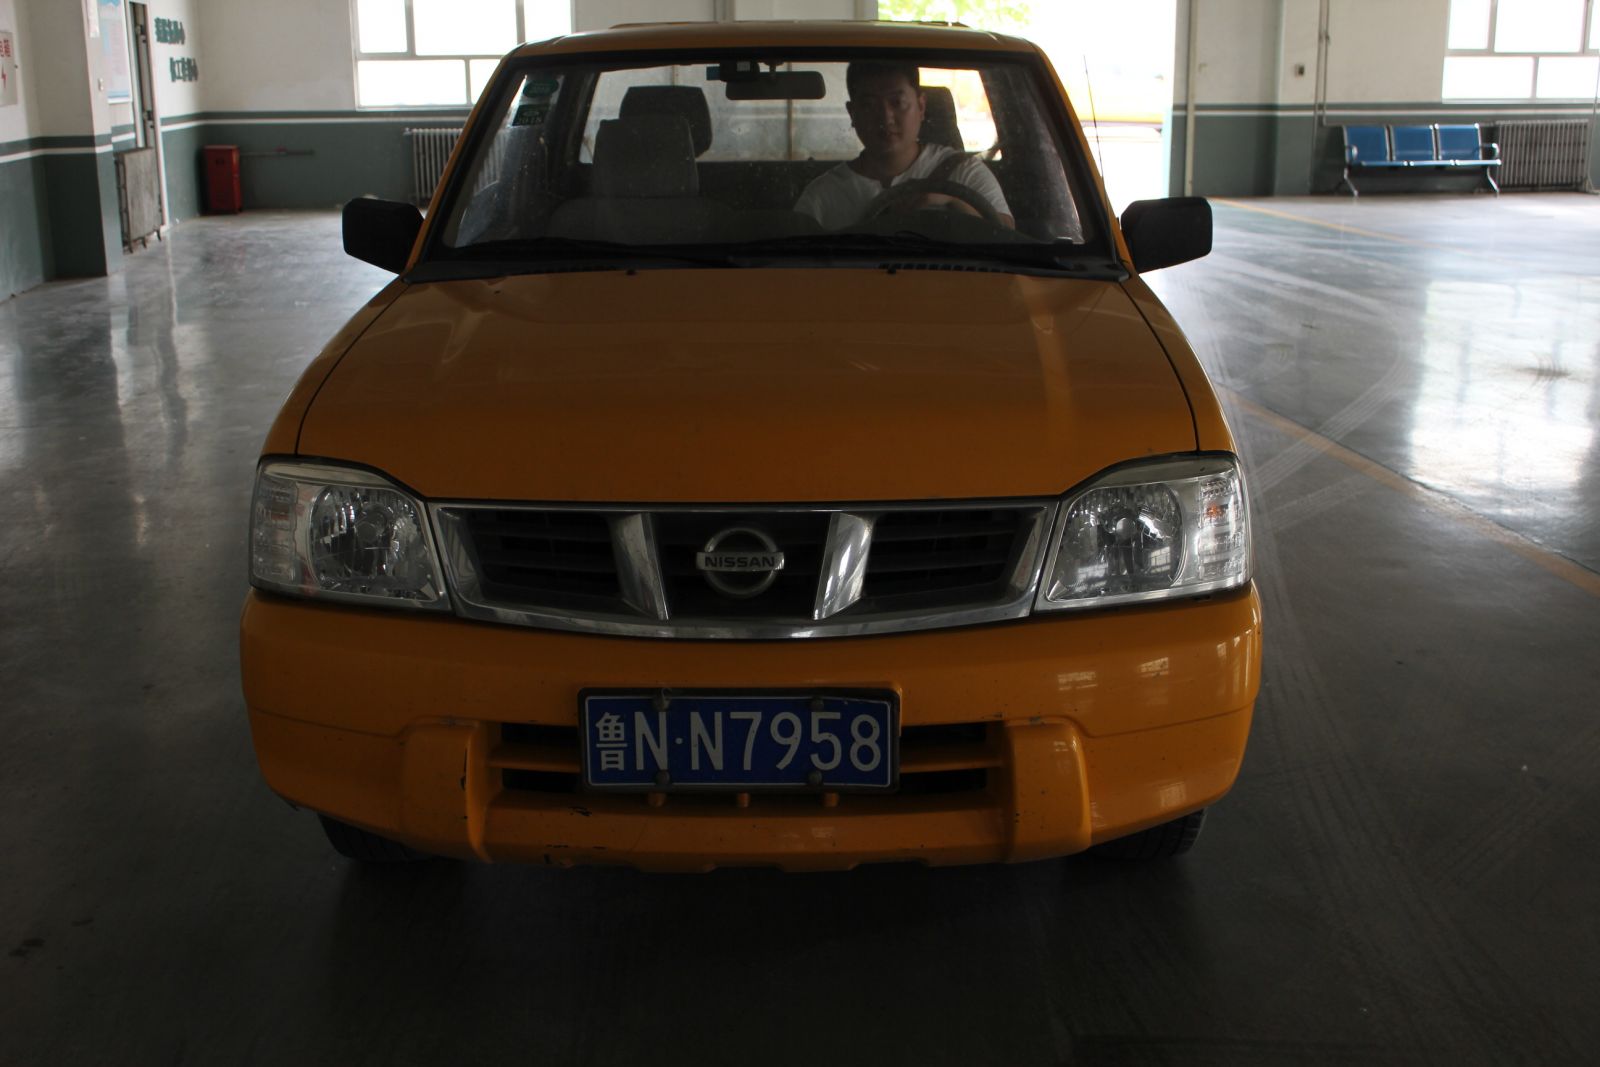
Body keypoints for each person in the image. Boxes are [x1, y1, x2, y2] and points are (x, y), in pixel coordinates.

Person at [795, 61, 1014, 231]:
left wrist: (953, 202)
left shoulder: (964, 172)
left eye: (897, 103)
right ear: (853, 113)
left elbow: (1006, 235)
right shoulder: (824, 195)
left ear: (921, 106)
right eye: (869, 105)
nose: (886, 118)